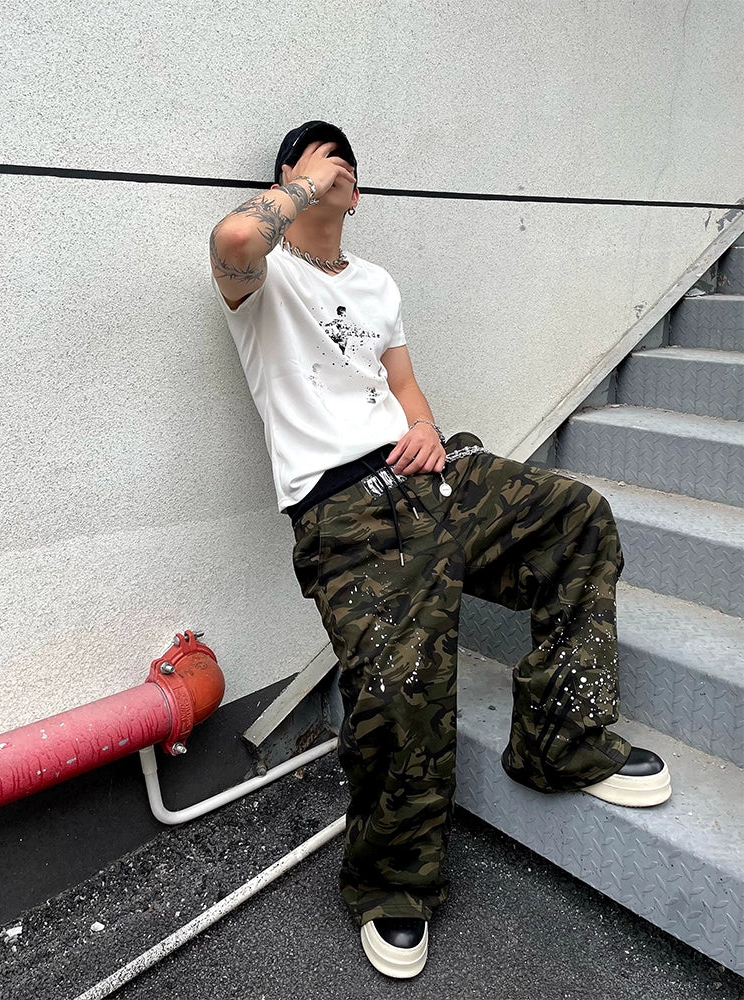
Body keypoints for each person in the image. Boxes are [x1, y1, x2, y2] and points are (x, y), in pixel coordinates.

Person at [210, 121, 672, 979]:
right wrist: (304, 185)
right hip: (343, 512)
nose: (340, 164)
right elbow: (235, 238)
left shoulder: (378, 283)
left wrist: (423, 425)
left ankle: (562, 740)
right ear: (287, 176)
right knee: (401, 685)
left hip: (430, 475)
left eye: (348, 161)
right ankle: (393, 882)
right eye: (320, 154)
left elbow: (404, 383)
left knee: (577, 518)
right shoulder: (263, 276)